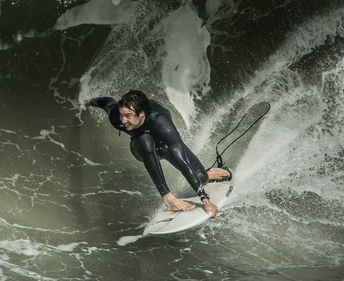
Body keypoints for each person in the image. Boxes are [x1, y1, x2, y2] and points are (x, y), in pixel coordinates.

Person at [81, 90, 231, 216]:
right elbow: (107, 102)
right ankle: (168, 198)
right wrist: (88, 102)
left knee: (201, 179)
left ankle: (207, 174)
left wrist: (205, 199)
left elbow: (181, 159)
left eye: (128, 116)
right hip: (140, 148)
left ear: (141, 114)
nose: (123, 120)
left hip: (164, 145)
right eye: (122, 115)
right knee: (144, 139)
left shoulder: (161, 123)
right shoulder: (116, 116)